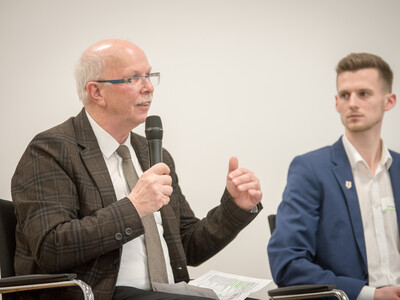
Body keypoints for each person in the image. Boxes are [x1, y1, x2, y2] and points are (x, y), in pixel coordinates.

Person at [11, 39, 263, 300]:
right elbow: (51, 248)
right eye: (134, 78)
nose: (150, 87)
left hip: (168, 293)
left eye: (150, 75)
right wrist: (134, 206)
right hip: (100, 294)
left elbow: (187, 245)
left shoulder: (152, 153)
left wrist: (236, 206)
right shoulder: (51, 150)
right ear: (97, 92)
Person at [268, 53, 400, 300]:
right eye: (344, 95)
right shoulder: (310, 170)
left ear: (388, 101)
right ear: (336, 102)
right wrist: (369, 294)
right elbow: (288, 263)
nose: (352, 103)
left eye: (364, 93)